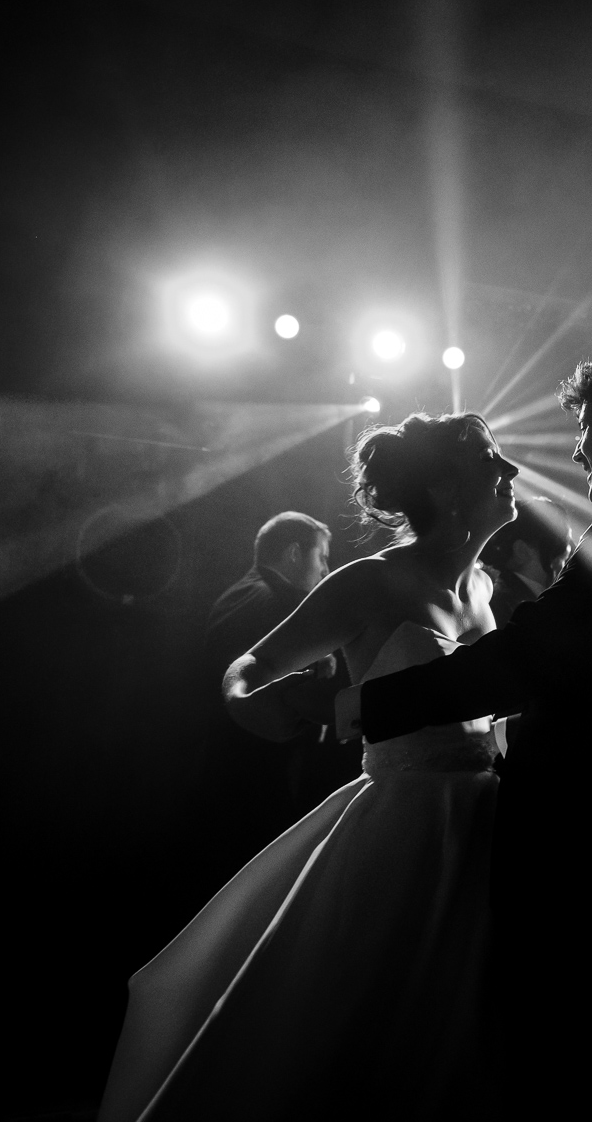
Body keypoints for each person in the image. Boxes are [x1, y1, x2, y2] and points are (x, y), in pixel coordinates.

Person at [336, 349, 592, 1117]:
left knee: (570, 1064)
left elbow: (530, 657)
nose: (578, 447)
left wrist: (370, 705)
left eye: (587, 426)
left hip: (586, 831)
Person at [97, 412, 519, 1122]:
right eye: (489, 458)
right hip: (402, 829)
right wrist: (256, 703)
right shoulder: (369, 583)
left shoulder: (484, 592)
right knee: (367, 1015)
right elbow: (250, 666)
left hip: (486, 825)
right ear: (446, 489)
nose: (509, 470)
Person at [196, 513, 354, 886]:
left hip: (222, 765)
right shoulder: (287, 604)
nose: (326, 571)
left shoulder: (233, 596)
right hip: (264, 772)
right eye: (322, 557)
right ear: (295, 553)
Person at [480, 495, 572, 627]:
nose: (566, 550)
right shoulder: (507, 609)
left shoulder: (508, 601)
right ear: (521, 551)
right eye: (556, 544)